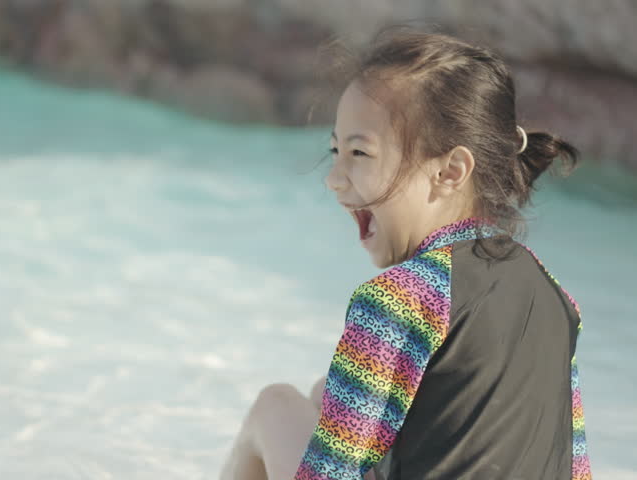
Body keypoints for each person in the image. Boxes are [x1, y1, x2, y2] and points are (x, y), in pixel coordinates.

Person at [219, 26, 591, 480]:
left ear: (449, 171)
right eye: (335, 150)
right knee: (323, 396)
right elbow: (575, 466)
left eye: (359, 152)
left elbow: (327, 475)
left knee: (276, 405)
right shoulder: (556, 297)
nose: (333, 179)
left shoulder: (401, 298)